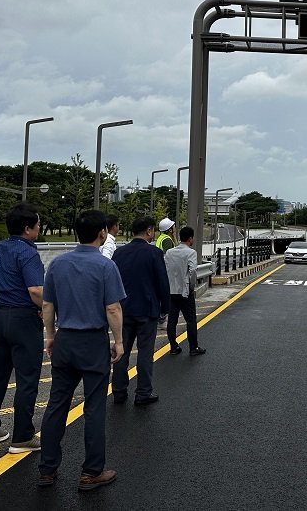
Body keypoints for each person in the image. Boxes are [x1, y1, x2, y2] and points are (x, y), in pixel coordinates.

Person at [38, 210, 125, 491]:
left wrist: (51, 336)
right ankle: (91, 472)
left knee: (56, 405)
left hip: (65, 340)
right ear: (102, 234)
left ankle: (47, 470)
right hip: (92, 343)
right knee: (94, 407)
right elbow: (112, 308)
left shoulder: (58, 265)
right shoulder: (105, 266)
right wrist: (119, 341)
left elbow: (48, 306)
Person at [0, 202, 45, 454]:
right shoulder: (28, 253)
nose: (39, 229)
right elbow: (36, 290)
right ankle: (23, 436)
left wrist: (1, 296)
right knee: (26, 379)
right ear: (28, 229)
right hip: (24, 319)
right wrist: (48, 311)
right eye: (37, 225)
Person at [111, 216, 171, 406]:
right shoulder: (154, 253)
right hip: (147, 310)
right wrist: (166, 307)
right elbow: (162, 282)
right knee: (145, 352)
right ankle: (143, 392)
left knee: (122, 352)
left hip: (122, 310)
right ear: (148, 231)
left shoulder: (119, 254)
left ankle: (119, 391)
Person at [165, 226, 207, 356]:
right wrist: (191, 286)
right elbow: (193, 270)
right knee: (190, 320)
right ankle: (193, 347)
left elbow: (165, 270)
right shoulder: (190, 252)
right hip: (185, 291)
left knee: (172, 319)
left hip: (171, 290)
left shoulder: (169, 253)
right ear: (190, 239)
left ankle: (173, 347)